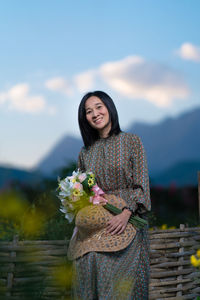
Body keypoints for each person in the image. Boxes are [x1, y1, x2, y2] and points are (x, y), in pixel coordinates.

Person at [70, 91, 151, 299]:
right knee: (84, 260)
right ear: (84, 119)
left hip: (127, 216)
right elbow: (83, 191)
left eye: (99, 107)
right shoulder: (85, 152)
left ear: (109, 107)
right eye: (89, 111)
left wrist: (125, 214)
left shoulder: (132, 141)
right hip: (97, 219)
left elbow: (141, 185)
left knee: (101, 258)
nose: (95, 114)